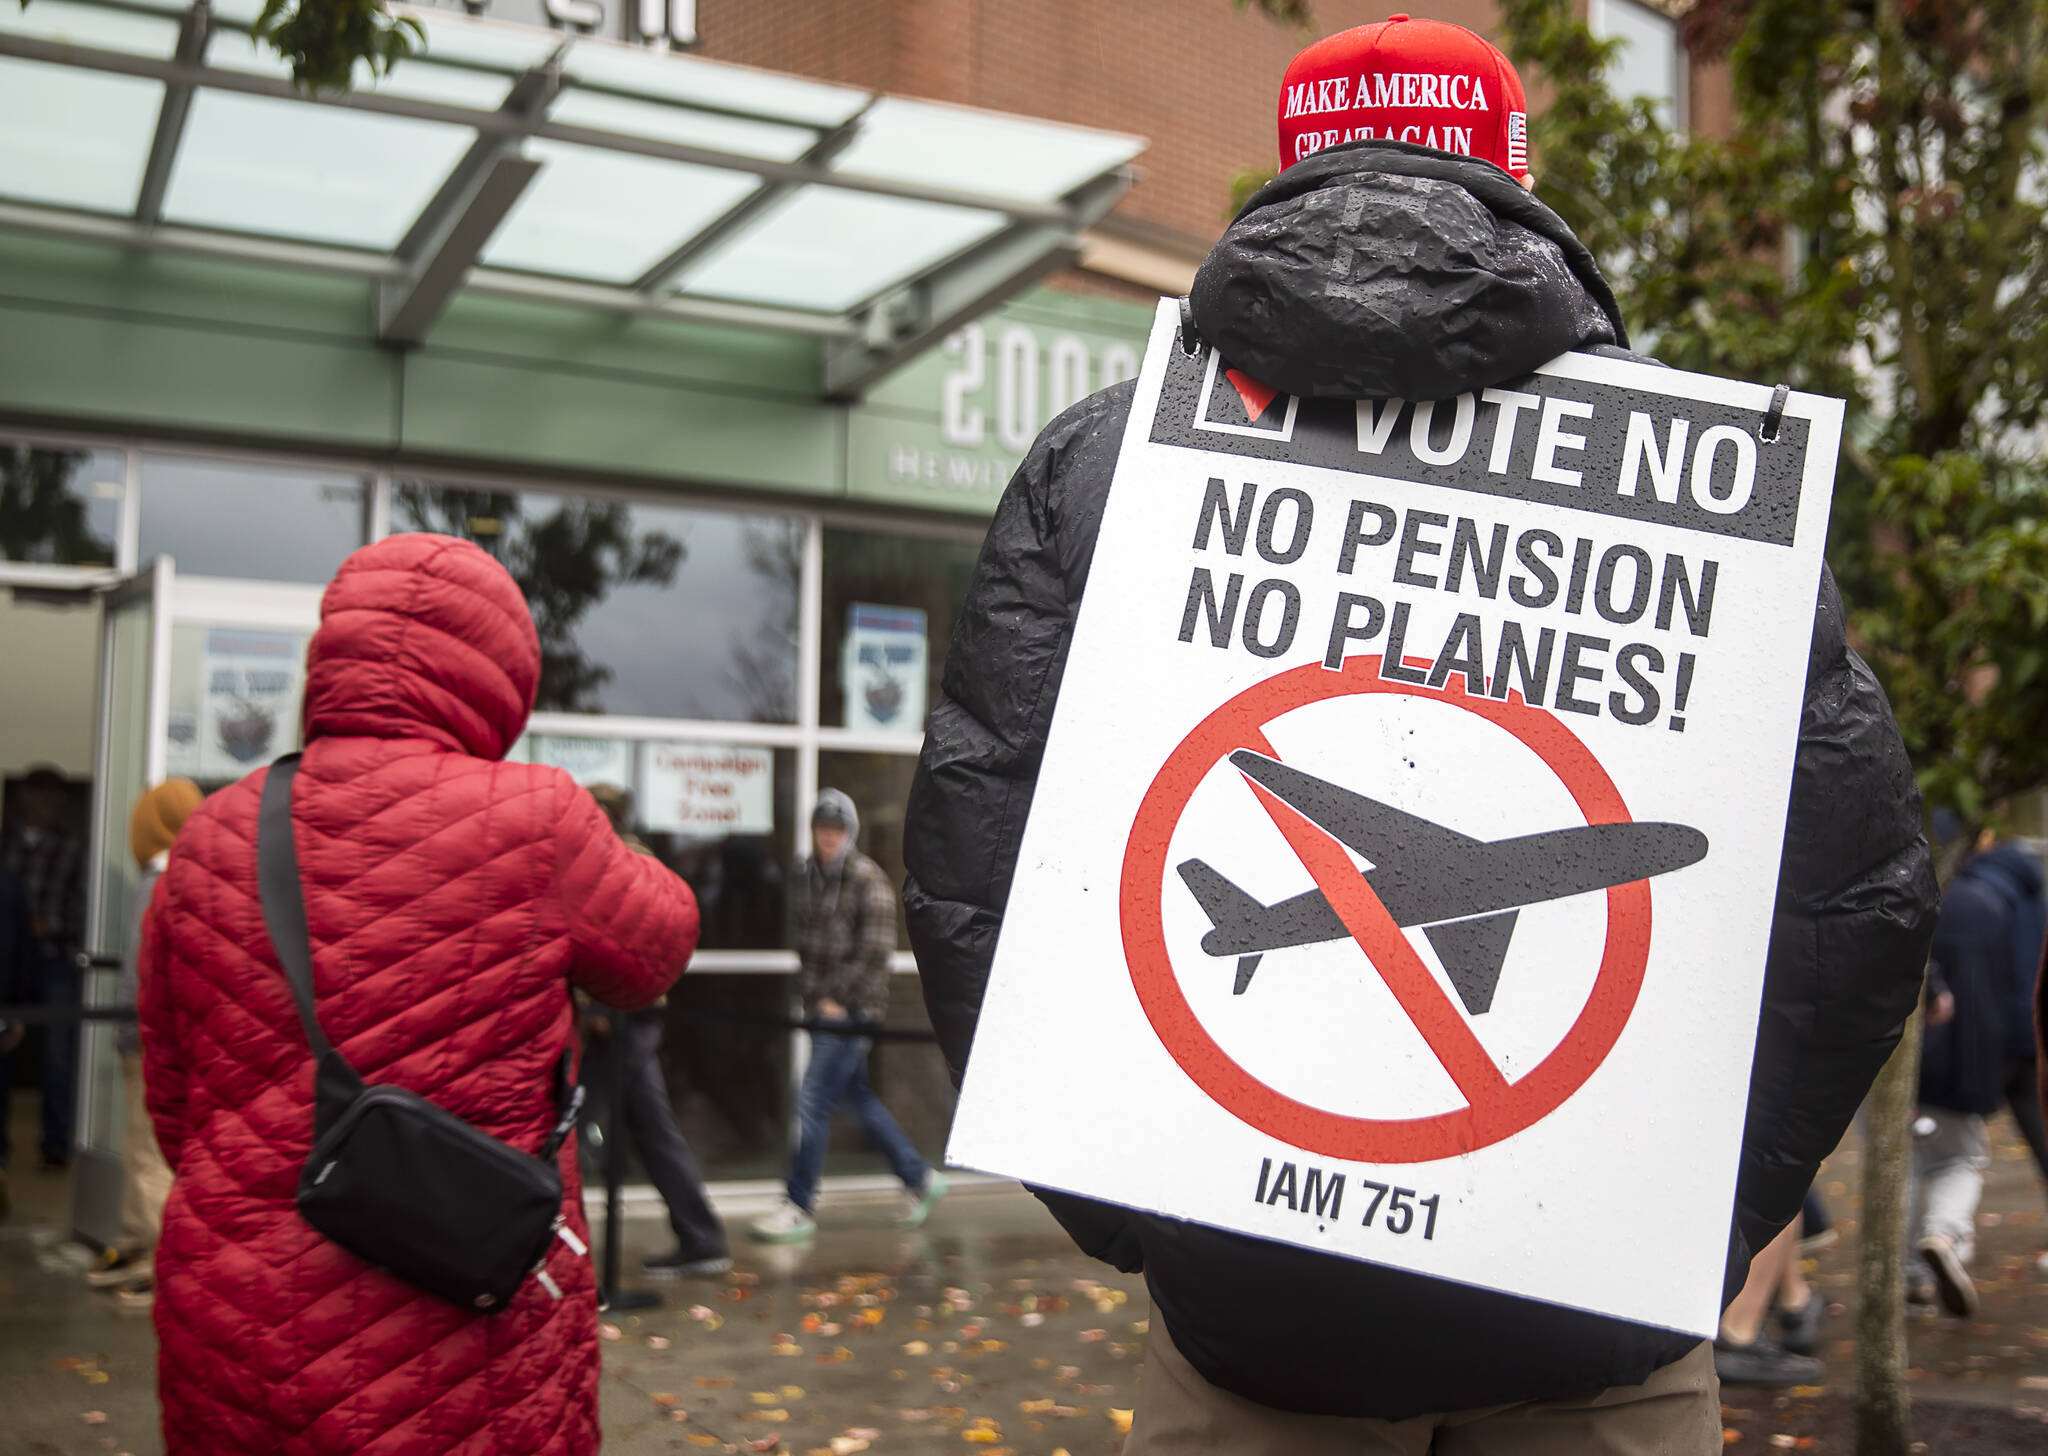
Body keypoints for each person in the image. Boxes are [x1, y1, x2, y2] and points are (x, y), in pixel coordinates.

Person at [904, 15, 1936, 1447]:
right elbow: (1858, 911)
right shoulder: (1705, 496)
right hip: (1604, 1334)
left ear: (1288, 169)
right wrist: (1699, 1223)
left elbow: (973, 877)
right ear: (1518, 178)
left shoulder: (1105, 463)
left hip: (1251, 1323)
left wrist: (1151, 1217)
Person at [137, 534, 700, 1456]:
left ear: (331, 659)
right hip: (462, 1307)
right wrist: (617, 842)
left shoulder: (210, 834)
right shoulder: (537, 815)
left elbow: (175, 1100)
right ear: (500, 674)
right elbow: (656, 947)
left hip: (232, 1304)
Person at [749, 790, 945, 1242]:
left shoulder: (867, 880)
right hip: (819, 1010)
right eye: (822, 829)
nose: (828, 838)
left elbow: (875, 951)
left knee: (812, 1097)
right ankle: (919, 1177)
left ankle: (799, 1203)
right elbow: (806, 941)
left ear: (849, 834)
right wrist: (811, 997)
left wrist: (838, 999)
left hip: (852, 1012)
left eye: (836, 831)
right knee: (857, 1098)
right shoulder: (807, 876)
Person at [579, 782, 732, 1278]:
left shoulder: (621, 863)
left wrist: (602, 1004)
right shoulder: (618, 858)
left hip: (622, 1019)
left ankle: (545, 1244)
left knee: (575, 1126)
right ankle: (701, 1238)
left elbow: (624, 942)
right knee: (652, 1133)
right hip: (622, 1016)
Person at [84, 777, 203, 1308]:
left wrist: (132, 1033)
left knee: (150, 1153)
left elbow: (141, 966)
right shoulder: (195, 875)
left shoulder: (161, 879)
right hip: (168, 1037)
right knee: (140, 1149)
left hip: (152, 1039)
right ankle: (136, 1244)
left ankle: (155, 1265)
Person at [1908, 839, 2015, 1316]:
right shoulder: (1984, 904)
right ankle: (1943, 1233)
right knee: (1959, 1161)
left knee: (1904, 1164)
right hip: (1962, 1065)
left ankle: (1912, 1274)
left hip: (1898, 1063)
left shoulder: (1895, 893)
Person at [0, 764, 86, 1170]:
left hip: (54, 961)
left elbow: (88, 905)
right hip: (8, 959)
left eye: (52, 797)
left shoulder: (73, 845)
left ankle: (55, 1143)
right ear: (22, 798)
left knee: (58, 1056)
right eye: (36, 795)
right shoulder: (7, 842)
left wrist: (50, 924)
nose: (43, 804)